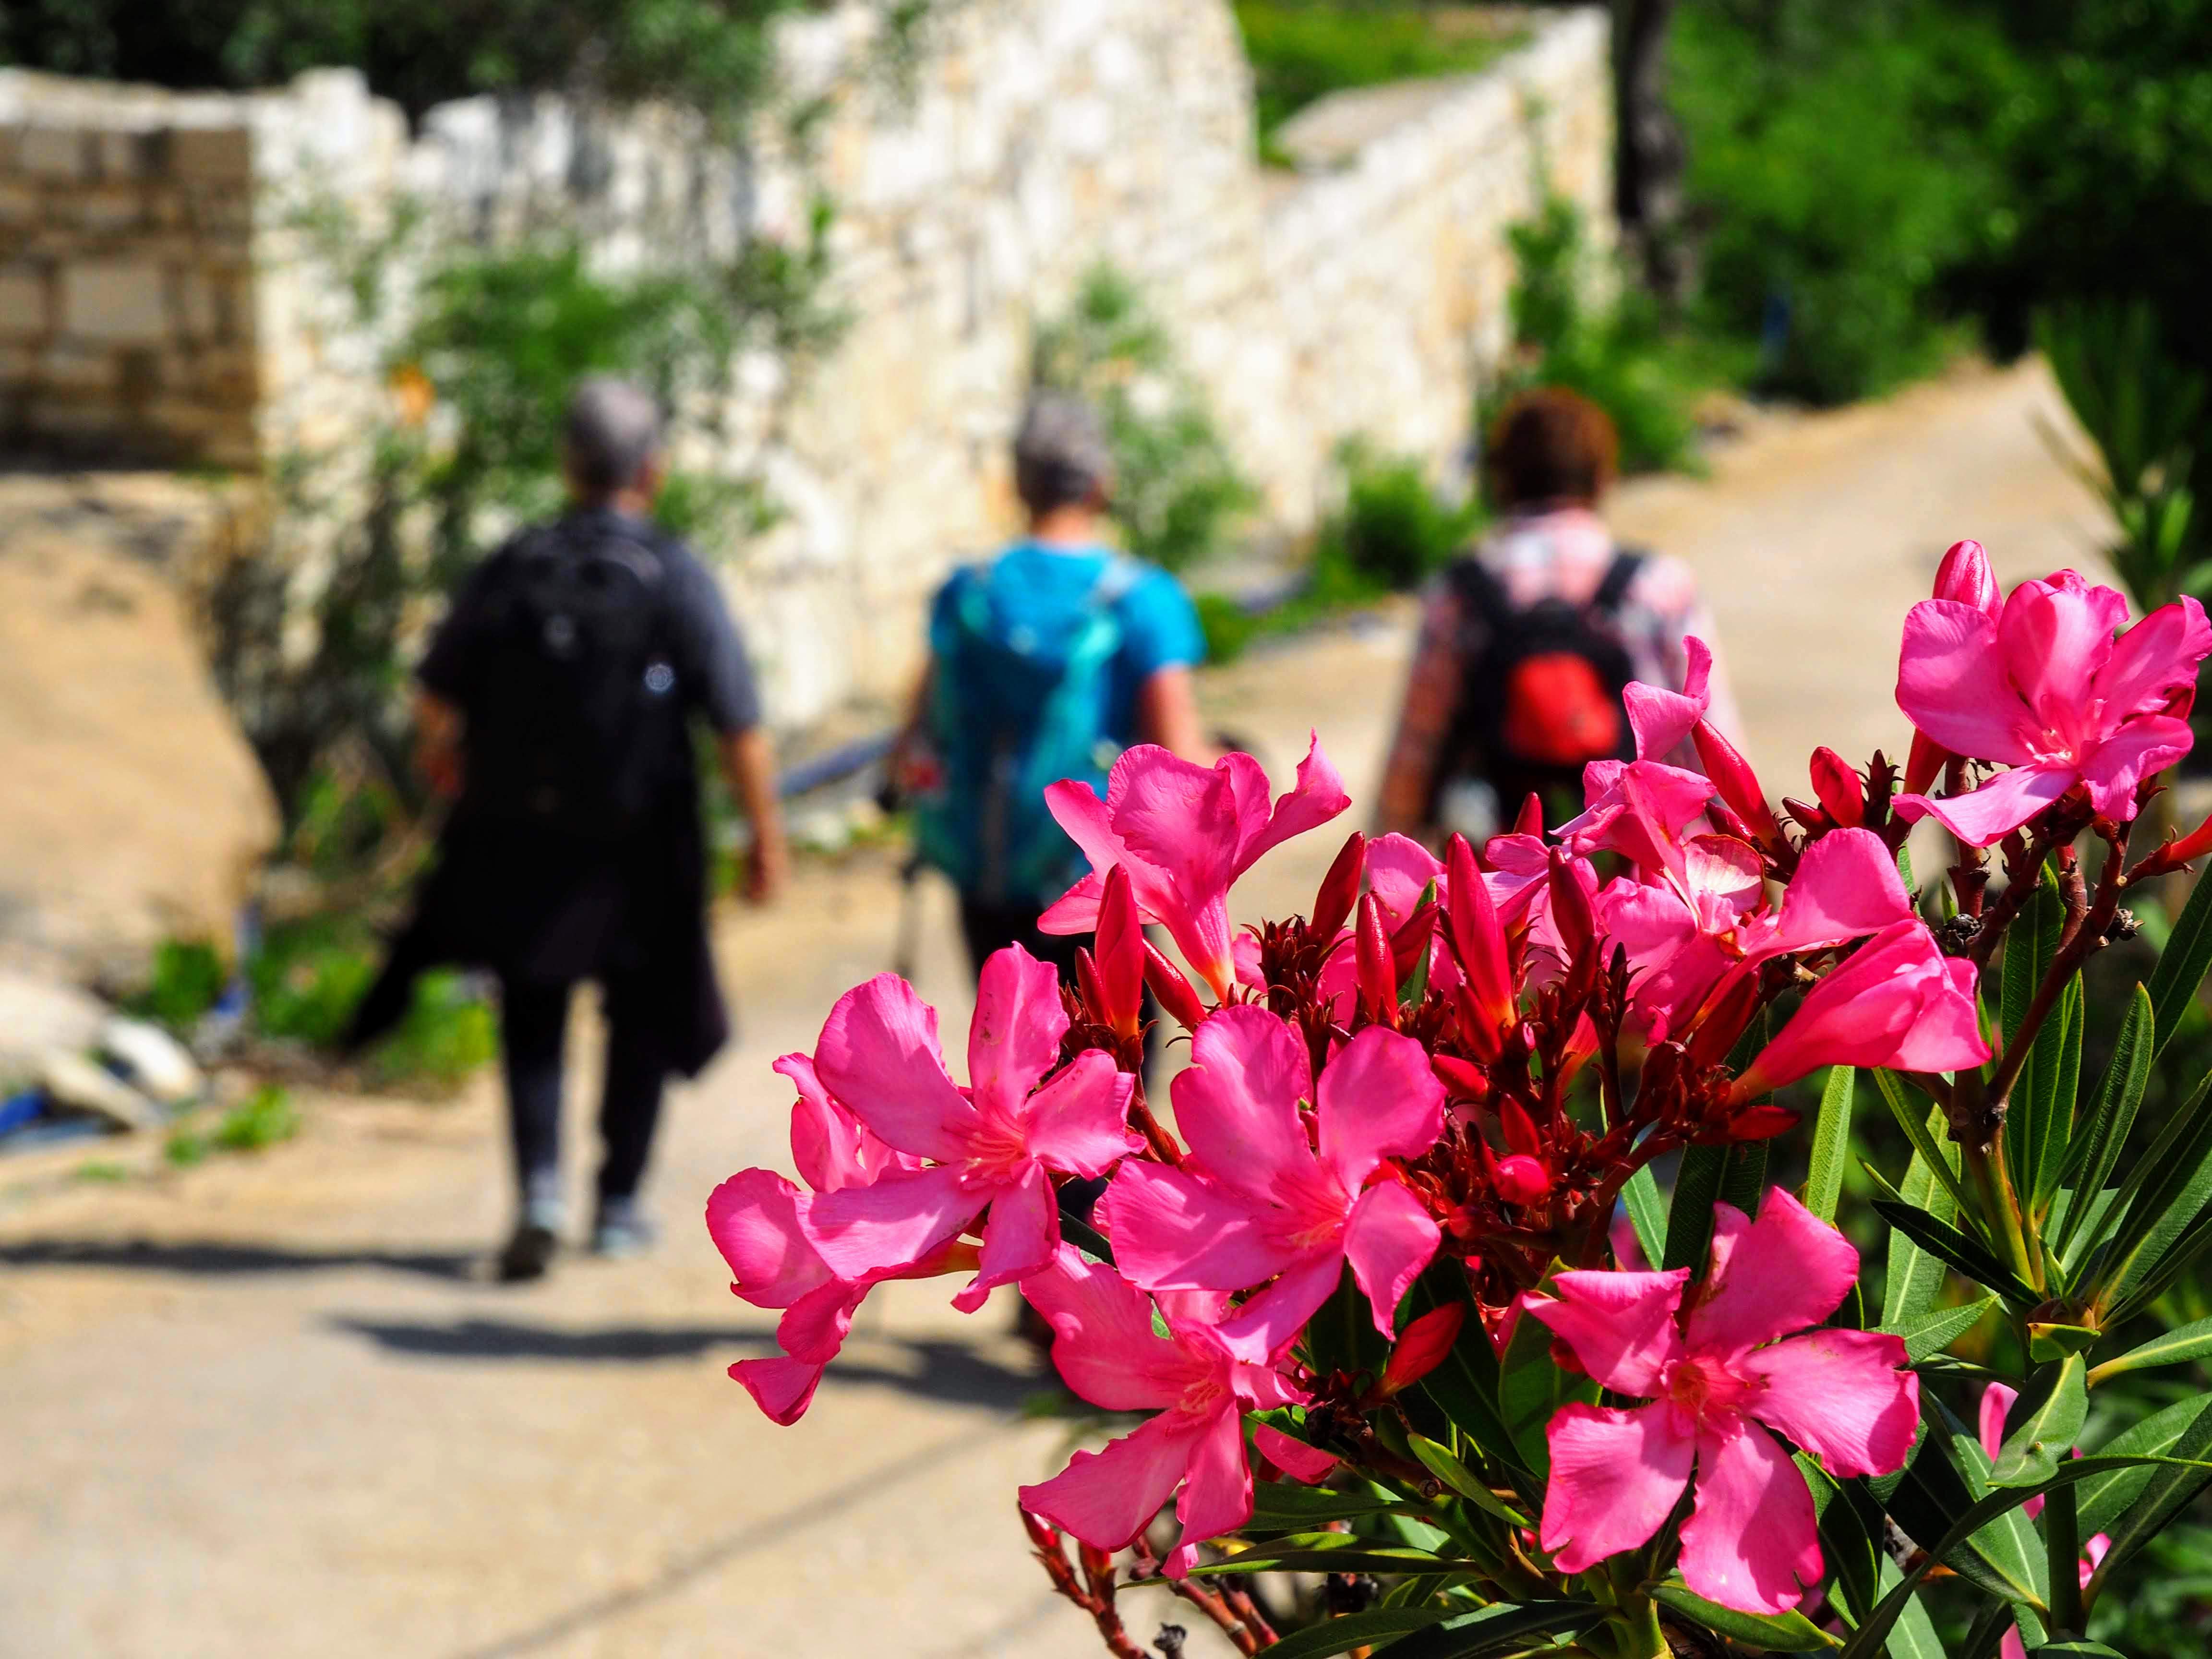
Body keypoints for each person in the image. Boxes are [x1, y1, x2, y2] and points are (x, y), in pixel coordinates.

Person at [348, 377, 788, 1282]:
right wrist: (763, 837)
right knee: (641, 1012)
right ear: (652, 472)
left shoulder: (516, 561)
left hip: (524, 830)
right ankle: (619, 1201)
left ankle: (540, 1195)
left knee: (533, 1008)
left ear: (568, 466)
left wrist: (450, 766)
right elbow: (737, 719)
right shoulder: (673, 573)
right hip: (646, 840)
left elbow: (434, 691)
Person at [900, 392, 1209, 984]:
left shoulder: (969, 592)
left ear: (1019, 485)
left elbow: (915, 735)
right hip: (1101, 882)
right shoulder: (1143, 600)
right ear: (1100, 482)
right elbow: (1179, 759)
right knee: (1117, 1058)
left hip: (986, 871)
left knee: (1015, 1049)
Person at [1377, 386, 1739, 845]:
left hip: (1498, 861)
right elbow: (1710, 736)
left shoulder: (1460, 592)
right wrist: (1743, 844)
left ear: (1502, 480)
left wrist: (1385, 853)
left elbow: (1418, 743)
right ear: (1602, 477)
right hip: (1630, 851)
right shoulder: (1658, 584)